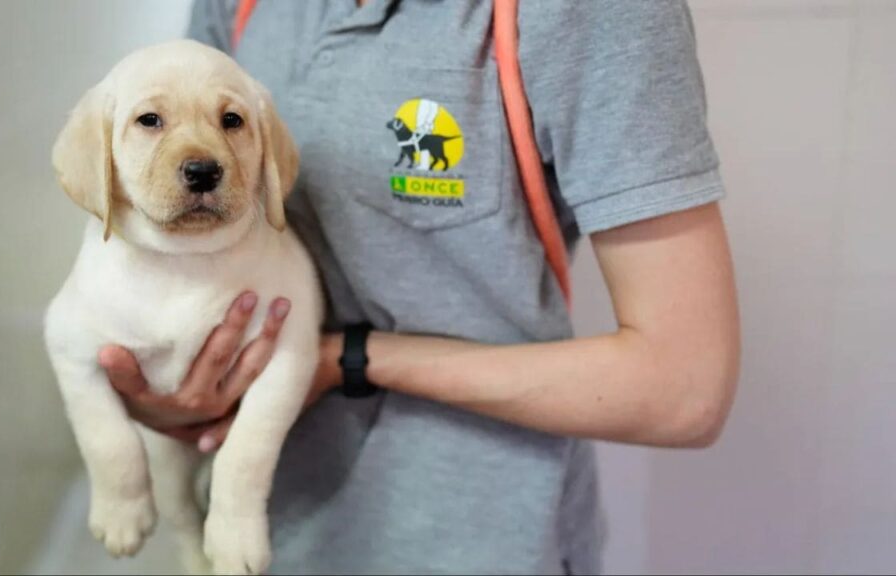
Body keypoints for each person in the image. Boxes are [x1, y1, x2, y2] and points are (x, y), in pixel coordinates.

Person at [97, 1, 741, 573]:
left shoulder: (591, 13)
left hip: (478, 538)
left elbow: (683, 388)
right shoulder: (239, 7)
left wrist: (344, 359)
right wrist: (171, 390)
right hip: (267, 532)